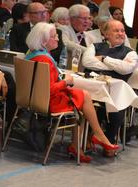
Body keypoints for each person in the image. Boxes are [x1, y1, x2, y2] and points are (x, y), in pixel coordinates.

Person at [24, 22, 119, 161]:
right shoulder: (44, 59)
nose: (58, 38)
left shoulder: (32, 54)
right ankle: (92, 138)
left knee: (82, 98)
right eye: (54, 36)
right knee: (84, 98)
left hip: (32, 98)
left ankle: (84, 142)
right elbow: (50, 89)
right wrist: (66, 81)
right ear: (43, 41)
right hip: (47, 101)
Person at [82, 19, 138, 147]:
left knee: (116, 103)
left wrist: (103, 58)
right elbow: (87, 62)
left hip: (114, 93)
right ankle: (88, 137)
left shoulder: (130, 53)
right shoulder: (94, 46)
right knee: (87, 101)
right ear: (106, 34)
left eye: (122, 31)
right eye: (116, 31)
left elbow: (126, 69)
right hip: (91, 89)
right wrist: (116, 66)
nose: (121, 33)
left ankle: (108, 139)